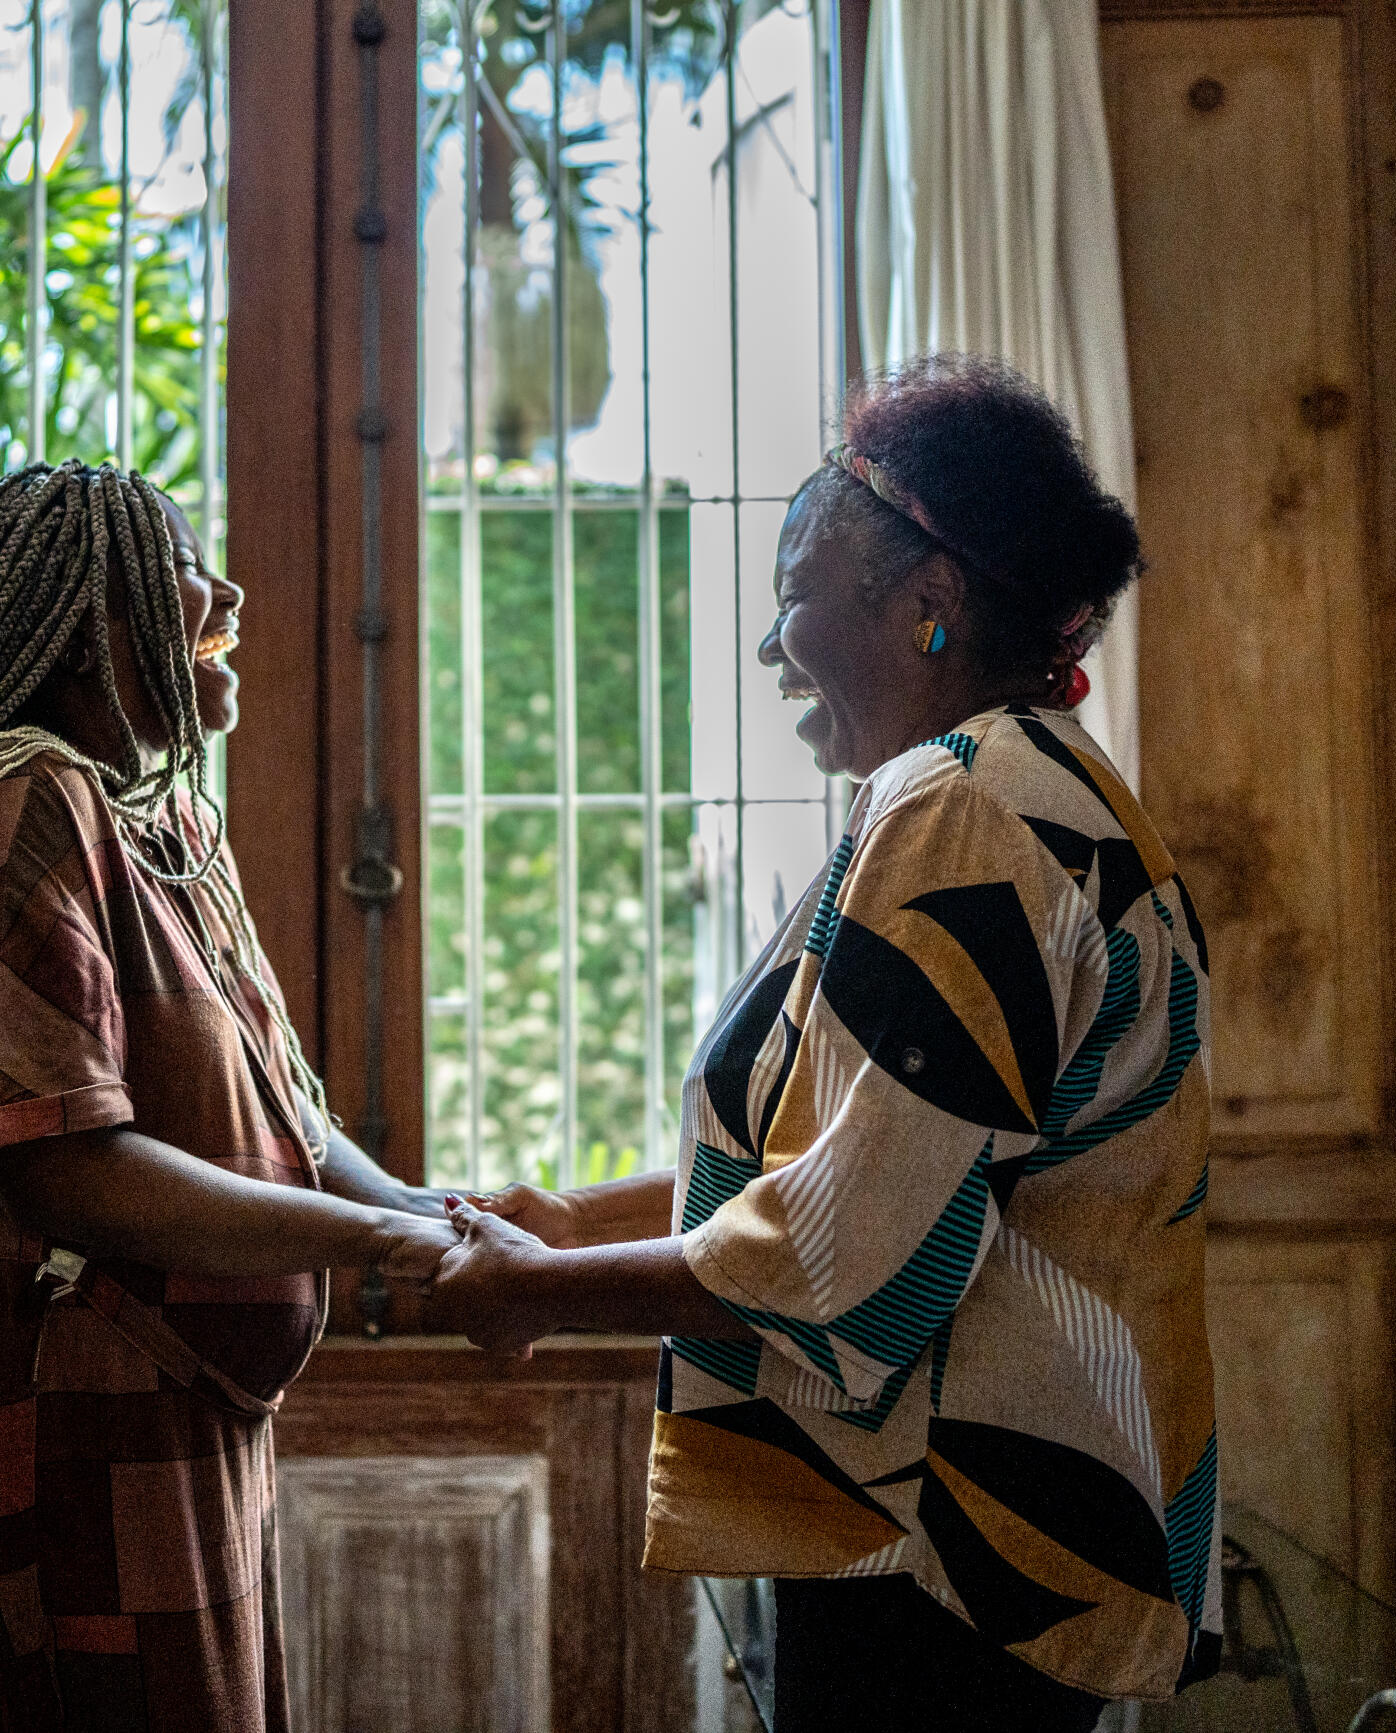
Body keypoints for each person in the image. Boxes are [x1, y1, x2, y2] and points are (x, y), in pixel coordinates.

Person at [428, 358, 1219, 1729]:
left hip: (947, 1552)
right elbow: (861, 1153)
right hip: (1008, 1532)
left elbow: (845, 1257)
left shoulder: (962, 814)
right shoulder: (1042, 794)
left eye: (796, 594)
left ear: (928, 605)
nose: (769, 646)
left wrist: (547, 1291)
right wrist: (564, 1222)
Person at [0, 460, 456, 1733]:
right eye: (182, 568)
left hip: (155, 1408)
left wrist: (421, 1205)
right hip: (57, 1414)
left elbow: (277, 1098)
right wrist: (387, 1239)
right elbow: (67, 1168)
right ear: (85, 624)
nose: (225, 589)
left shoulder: (151, 822)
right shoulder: (20, 799)